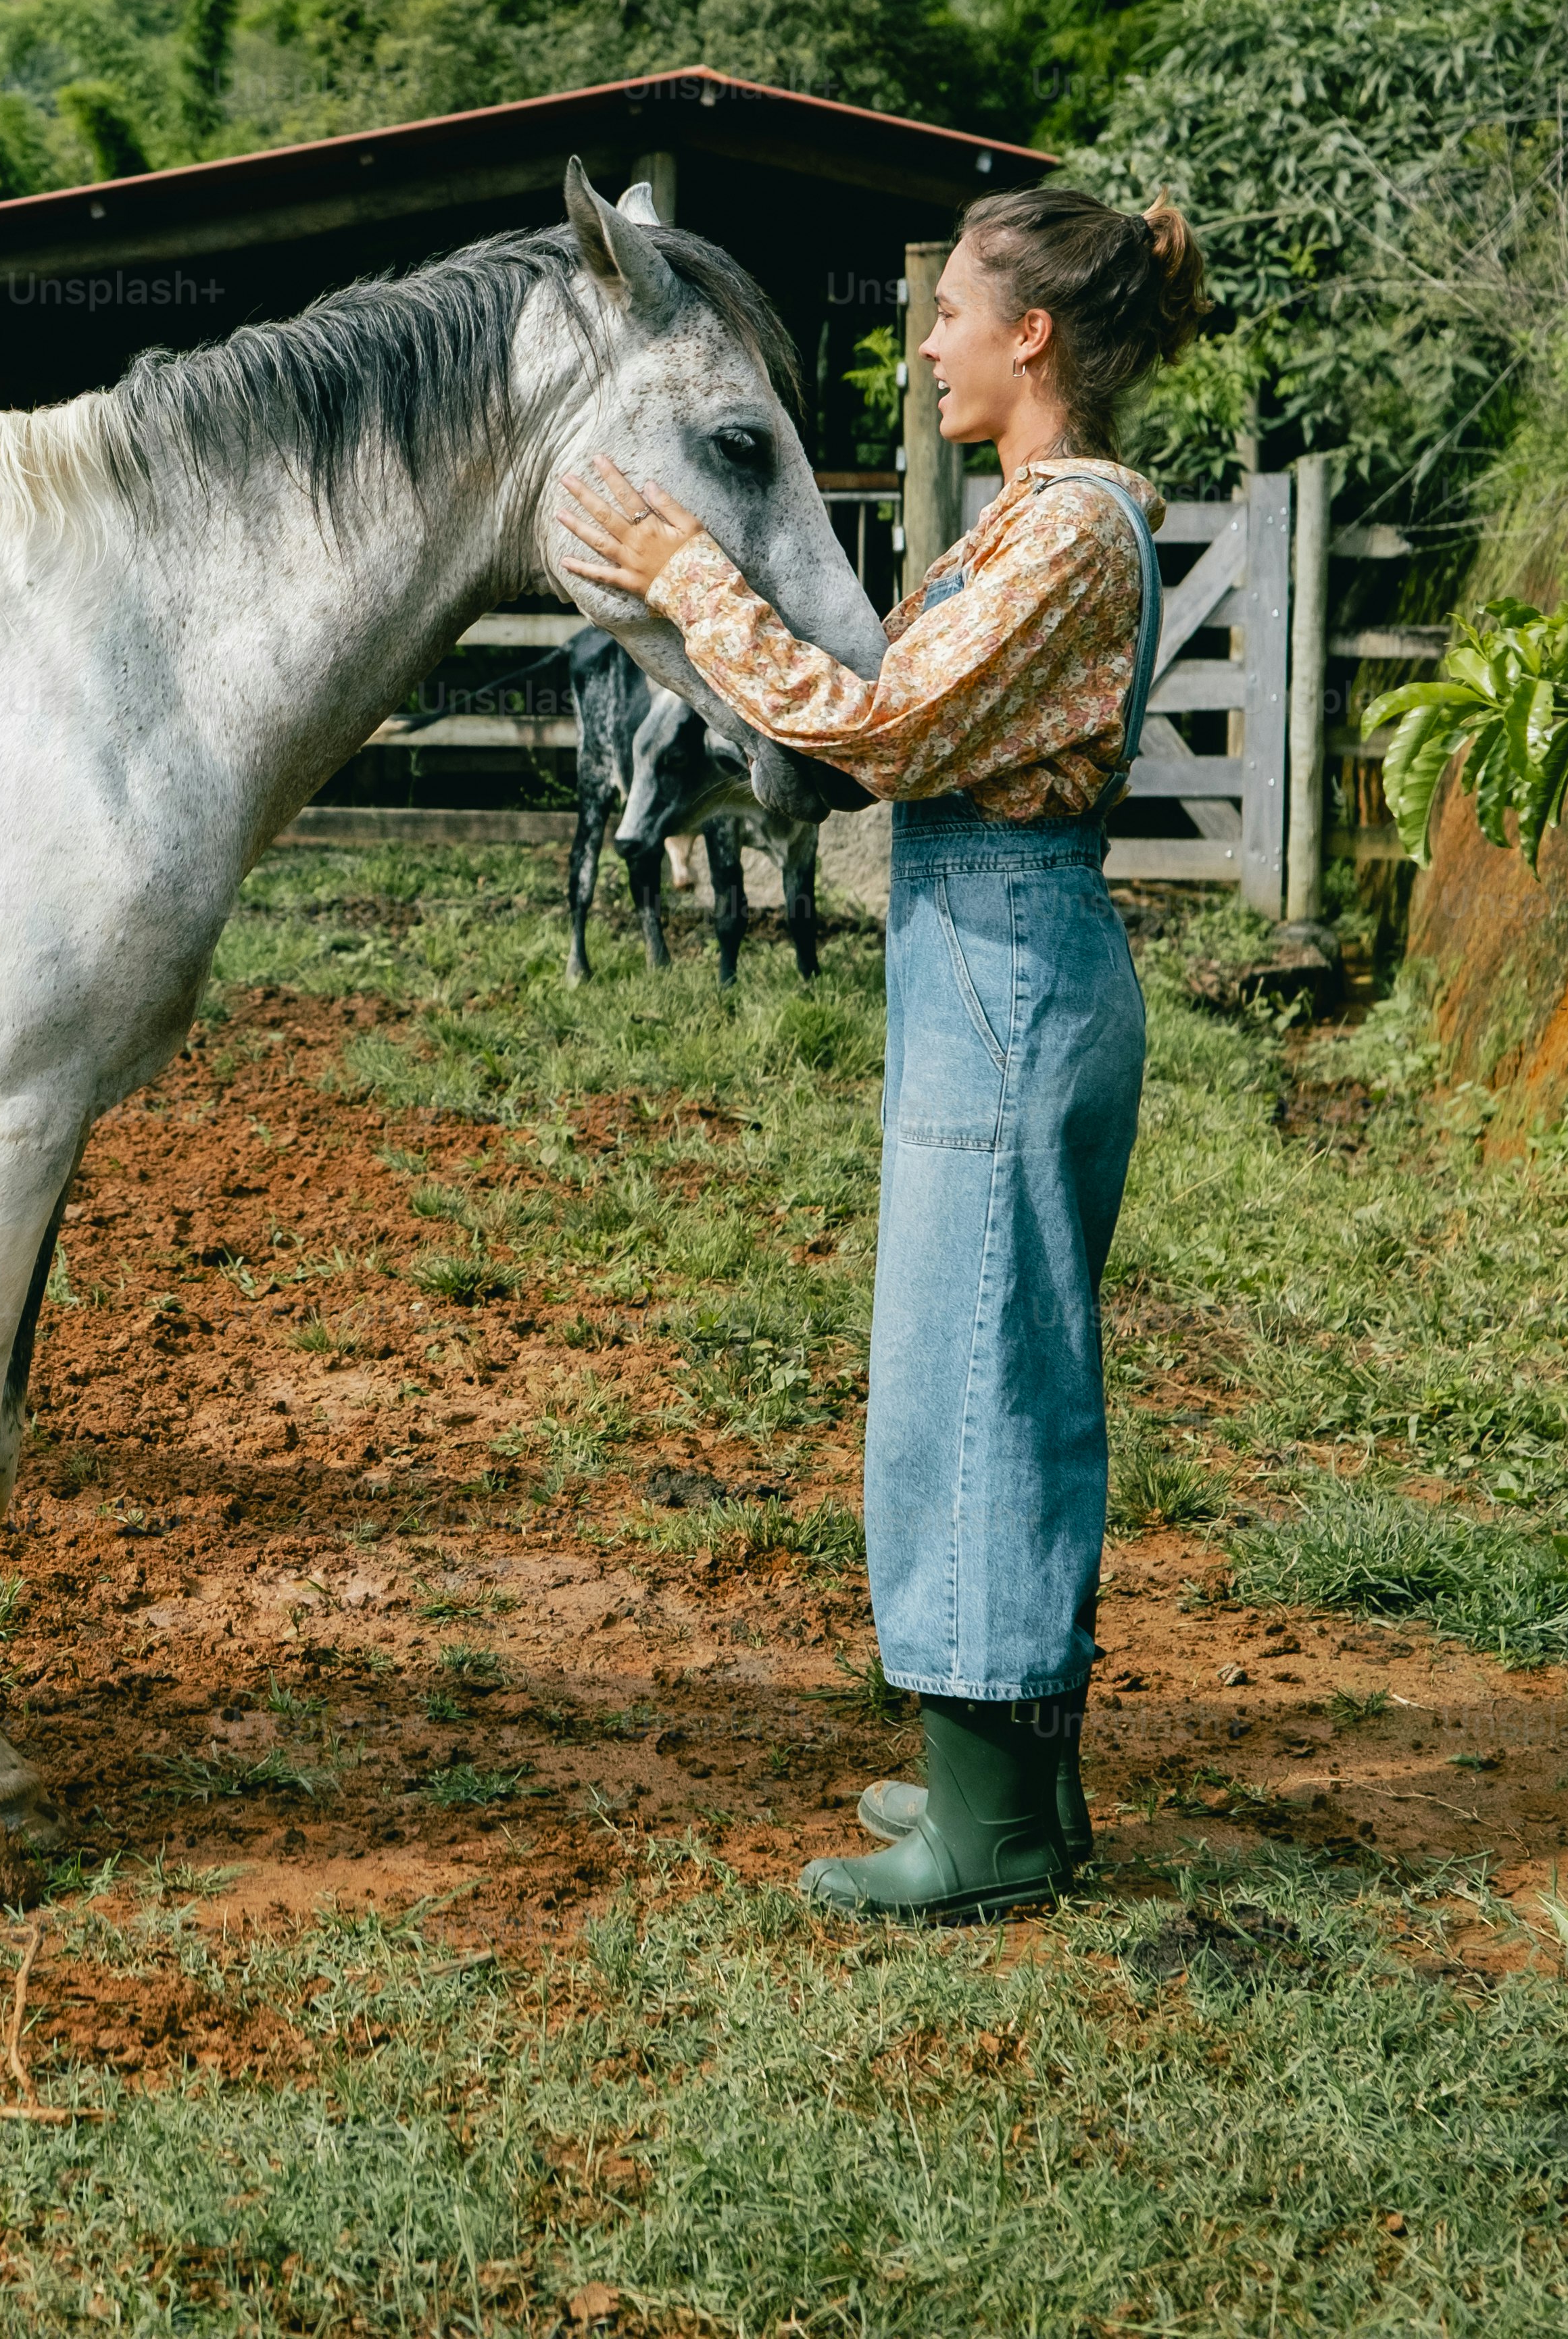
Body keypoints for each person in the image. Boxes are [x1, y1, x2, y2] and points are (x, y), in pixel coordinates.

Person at [556, 185, 1208, 1920]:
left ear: (1032, 337)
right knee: (982, 1351)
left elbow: (882, 726)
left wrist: (687, 573)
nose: (923, 345)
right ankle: (1012, 1776)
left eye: (950, 315)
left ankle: (988, 1830)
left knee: (973, 1369)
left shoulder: (1065, 532)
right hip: (984, 945)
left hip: (1005, 954)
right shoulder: (1030, 523)